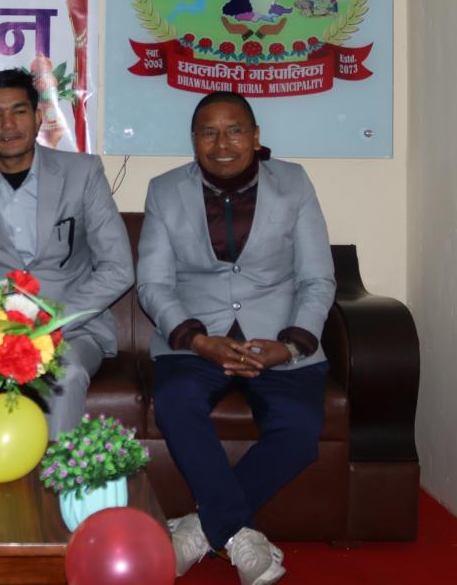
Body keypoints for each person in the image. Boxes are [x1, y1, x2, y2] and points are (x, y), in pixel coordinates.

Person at [137, 91, 336, 585]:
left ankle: (200, 529)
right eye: (209, 132)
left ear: (255, 136)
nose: (222, 144)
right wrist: (198, 340)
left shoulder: (294, 183)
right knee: (175, 402)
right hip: (196, 339)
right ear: (194, 139)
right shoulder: (165, 190)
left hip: (277, 339)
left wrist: (290, 345)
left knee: (300, 429)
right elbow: (154, 285)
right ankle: (236, 534)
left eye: (234, 131)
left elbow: (317, 279)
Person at [0, 68, 133, 437]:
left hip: (72, 329)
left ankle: (58, 472)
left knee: (63, 374)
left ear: (37, 118)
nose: (8, 125)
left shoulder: (82, 172)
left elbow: (118, 268)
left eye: (19, 111)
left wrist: (51, 324)